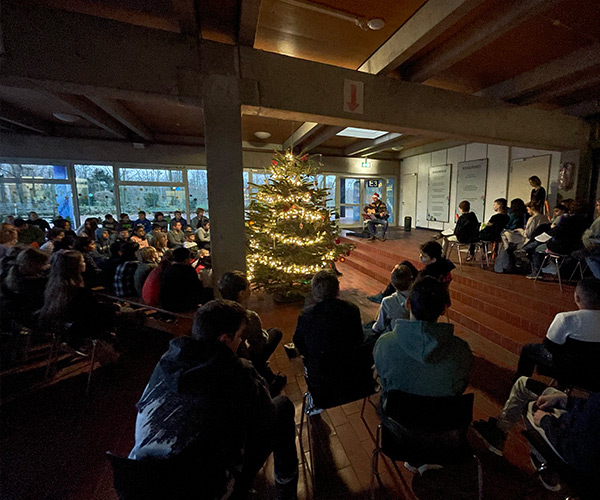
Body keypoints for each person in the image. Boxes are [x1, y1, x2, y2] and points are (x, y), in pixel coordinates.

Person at [128, 300, 298, 500]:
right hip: (203, 488)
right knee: (283, 406)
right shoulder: (237, 370)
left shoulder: (168, 361)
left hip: (142, 479)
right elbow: (265, 419)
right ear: (225, 339)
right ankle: (286, 488)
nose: (241, 342)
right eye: (240, 336)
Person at [472, 377, 600, 492]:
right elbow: (590, 409)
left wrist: (546, 421)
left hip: (572, 455)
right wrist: (567, 400)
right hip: (575, 424)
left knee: (530, 405)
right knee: (524, 384)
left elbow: (577, 454)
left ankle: (544, 463)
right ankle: (499, 433)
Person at [374, 276, 473, 400]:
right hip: (443, 417)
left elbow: (384, 380)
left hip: (396, 417)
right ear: (443, 309)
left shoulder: (384, 344)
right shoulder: (461, 350)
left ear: (408, 303)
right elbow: (459, 387)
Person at [293, 270, 372, 404]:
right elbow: (358, 339)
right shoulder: (352, 309)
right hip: (354, 379)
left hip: (322, 386)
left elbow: (299, 344)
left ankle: (314, 407)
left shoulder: (307, 315)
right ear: (337, 290)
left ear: (314, 292)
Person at [514, 277, 600, 382]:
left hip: (566, 369)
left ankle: (520, 384)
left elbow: (549, 346)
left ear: (576, 298)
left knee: (529, 349)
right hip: (596, 375)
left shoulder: (565, 318)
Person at [218, 271, 287, 396]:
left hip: (226, 358)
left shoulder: (216, 311)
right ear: (242, 293)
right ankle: (265, 376)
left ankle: (266, 374)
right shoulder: (248, 317)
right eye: (248, 287)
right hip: (242, 359)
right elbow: (259, 344)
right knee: (275, 333)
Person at [39, 250, 116, 350]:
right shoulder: (77, 290)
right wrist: (115, 307)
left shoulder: (54, 285)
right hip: (84, 327)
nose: (85, 264)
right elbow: (95, 311)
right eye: (82, 261)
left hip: (68, 326)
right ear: (74, 266)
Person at [159, 247, 212, 312]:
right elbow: (196, 288)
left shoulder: (167, 269)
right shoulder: (188, 270)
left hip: (165, 303)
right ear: (186, 259)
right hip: (181, 305)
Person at [371, 264, 413, 338]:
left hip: (394, 336)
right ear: (411, 280)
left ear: (393, 284)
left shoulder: (387, 302)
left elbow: (379, 326)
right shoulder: (419, 297)